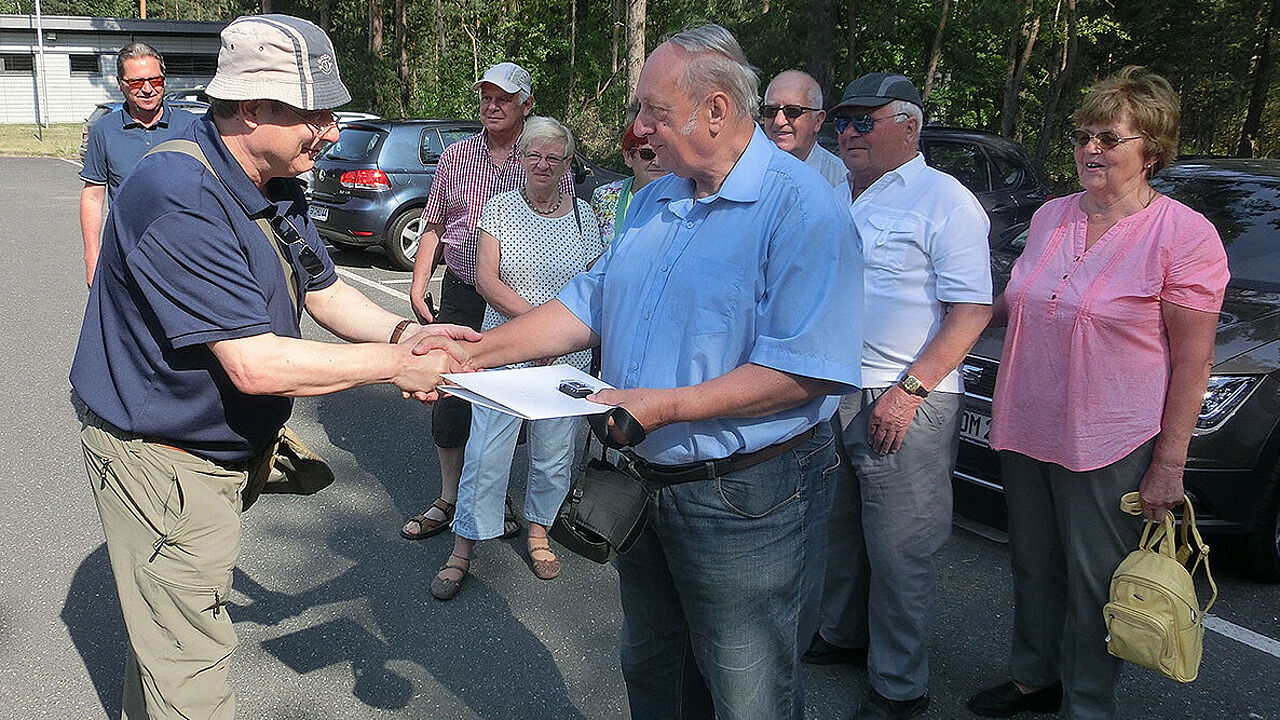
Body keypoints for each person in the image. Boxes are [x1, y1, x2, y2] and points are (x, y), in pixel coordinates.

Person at [422, 23, 862, 720]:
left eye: (653, 110)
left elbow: (810, 372)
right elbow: (588, 301)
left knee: (748, 695)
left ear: (716, 110)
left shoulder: (802, 208)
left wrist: (670, 405)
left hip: (748, 498)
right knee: (654, 669)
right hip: (647, 482)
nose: (638, 128)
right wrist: (468, 353)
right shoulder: (659, 198)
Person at [69, 15, 474, 719]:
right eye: (312, 113)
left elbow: (327, 291)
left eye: (330, 112)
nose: (329, 129)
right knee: (192, 678)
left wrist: (411, 333)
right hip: (161, 460)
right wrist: (392, 367)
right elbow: (254, 365)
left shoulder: (275, 177)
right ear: (250, 109)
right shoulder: (179, 192)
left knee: (169, 645)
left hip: (215, 452)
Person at [966, 67, 1228, 720]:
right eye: (1084, 135)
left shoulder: (1183, 235)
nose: (1090, 149)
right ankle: (1035, 679)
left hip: (1110, 439)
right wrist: (939, 307)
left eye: (1109, 137)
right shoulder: (1053, 215)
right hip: (1026, 423)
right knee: (1032, 565)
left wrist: (1170, 463)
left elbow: (1194, 363)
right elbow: (1015, 302)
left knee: (1093, 585)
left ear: (1152, 151)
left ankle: (1086, 705)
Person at [809, 73, 992, 720]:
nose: (849, 131)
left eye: (866, 120)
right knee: (842, 533)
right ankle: (840, 634)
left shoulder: (946, 201)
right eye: (845, 120)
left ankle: (900, 688)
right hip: (841, 392)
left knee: (899, 552)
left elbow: (971, 309)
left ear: (909, 125)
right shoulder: (844, 194)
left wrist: (911, 390)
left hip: (905, 398)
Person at [430, 117, 605, 600]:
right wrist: (540, 330)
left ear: (568, 163)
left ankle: (538, 532)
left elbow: (590, 288)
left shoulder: (585, 217)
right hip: (504, 350)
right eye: (534, 155)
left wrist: (558, 339)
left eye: (554, 156)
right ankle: (463, 545)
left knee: (554, 453)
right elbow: (486, 281)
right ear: (520, 159)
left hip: (564, 360)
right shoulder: (499, 209)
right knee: (487, 452)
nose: (543, 164)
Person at [402, 61, 573, 542]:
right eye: (486, 97)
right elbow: (434, 223)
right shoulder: (458, 154)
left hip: (519, 295)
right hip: (463, 291)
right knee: (453, 397)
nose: (492, 106)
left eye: (503, 99)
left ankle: (498, 499)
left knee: (516, 405)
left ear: (526, 105)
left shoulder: (540, 153)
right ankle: (450, 496)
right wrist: (418, 285)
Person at [79, 42, 196, 287]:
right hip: (128, 252)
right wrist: (92, 256)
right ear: (121, 84)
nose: (147, 89)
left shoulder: (192, 126)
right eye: (136, 82)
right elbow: (93, 196)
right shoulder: (104, 131)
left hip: (186, 254)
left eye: (155, 80)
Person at [761, 69, 845, 187]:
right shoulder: (747, 173)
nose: (779, 121)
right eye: (771, 111)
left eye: (792, 111)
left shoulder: (841, 181)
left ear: (818, 120)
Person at [589, 121, 665, 245]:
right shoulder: (604, 197)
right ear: (628, 157)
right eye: (647, 154)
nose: (656, 162)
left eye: (662, 153)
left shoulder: (686, 198)